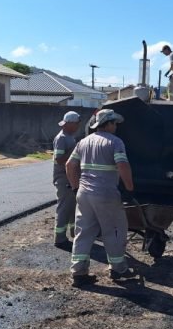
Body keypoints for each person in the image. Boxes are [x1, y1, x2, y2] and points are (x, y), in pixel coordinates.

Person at [66, 108, 137, 286]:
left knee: (83, 232)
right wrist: (129, 189)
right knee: (114, 230)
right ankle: (118, 269)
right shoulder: (115, 142)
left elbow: (69, 165)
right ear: (109, 123)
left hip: (84, 194)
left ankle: (79, 273)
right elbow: (123, 165)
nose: (116, 127)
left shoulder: (83, 142)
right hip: (106, 194)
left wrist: (75, 187)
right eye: (115, 124)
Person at [52, 110, 81, 250]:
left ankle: (74, 233)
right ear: (69, 123)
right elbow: (59, 159)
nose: (77, 126)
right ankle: (60, 238)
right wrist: (75, 151)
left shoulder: (70, 137)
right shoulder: (62, 138)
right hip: (63, 179)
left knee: (72, 208)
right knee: (64, 208)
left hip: (70, 178)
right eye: (76, 124)